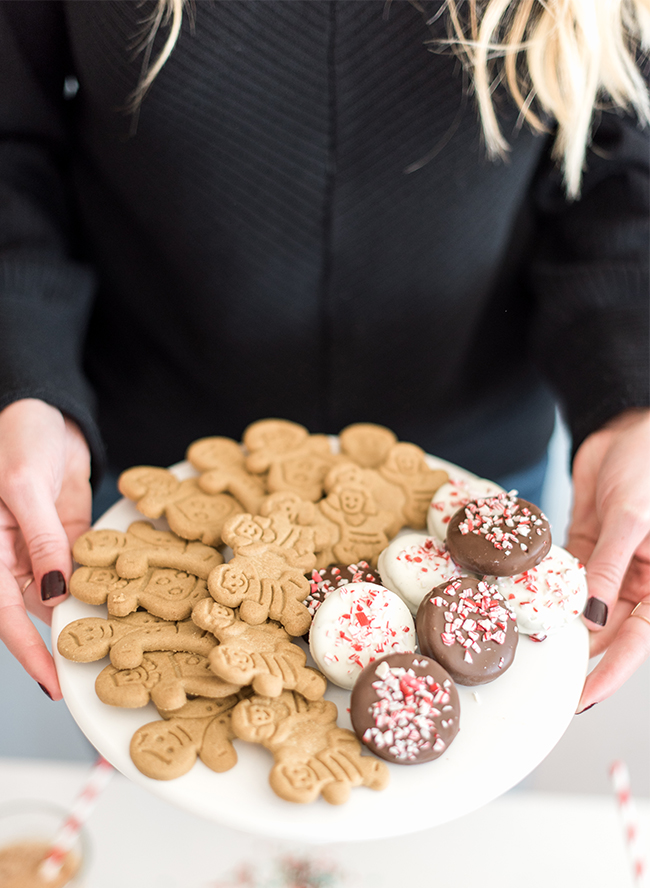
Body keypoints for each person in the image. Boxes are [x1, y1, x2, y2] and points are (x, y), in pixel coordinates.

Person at [0, 0, 648, 715]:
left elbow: (623, 181)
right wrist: (22, 373)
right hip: (140, 477)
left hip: (472, 484)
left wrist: (632, 405)